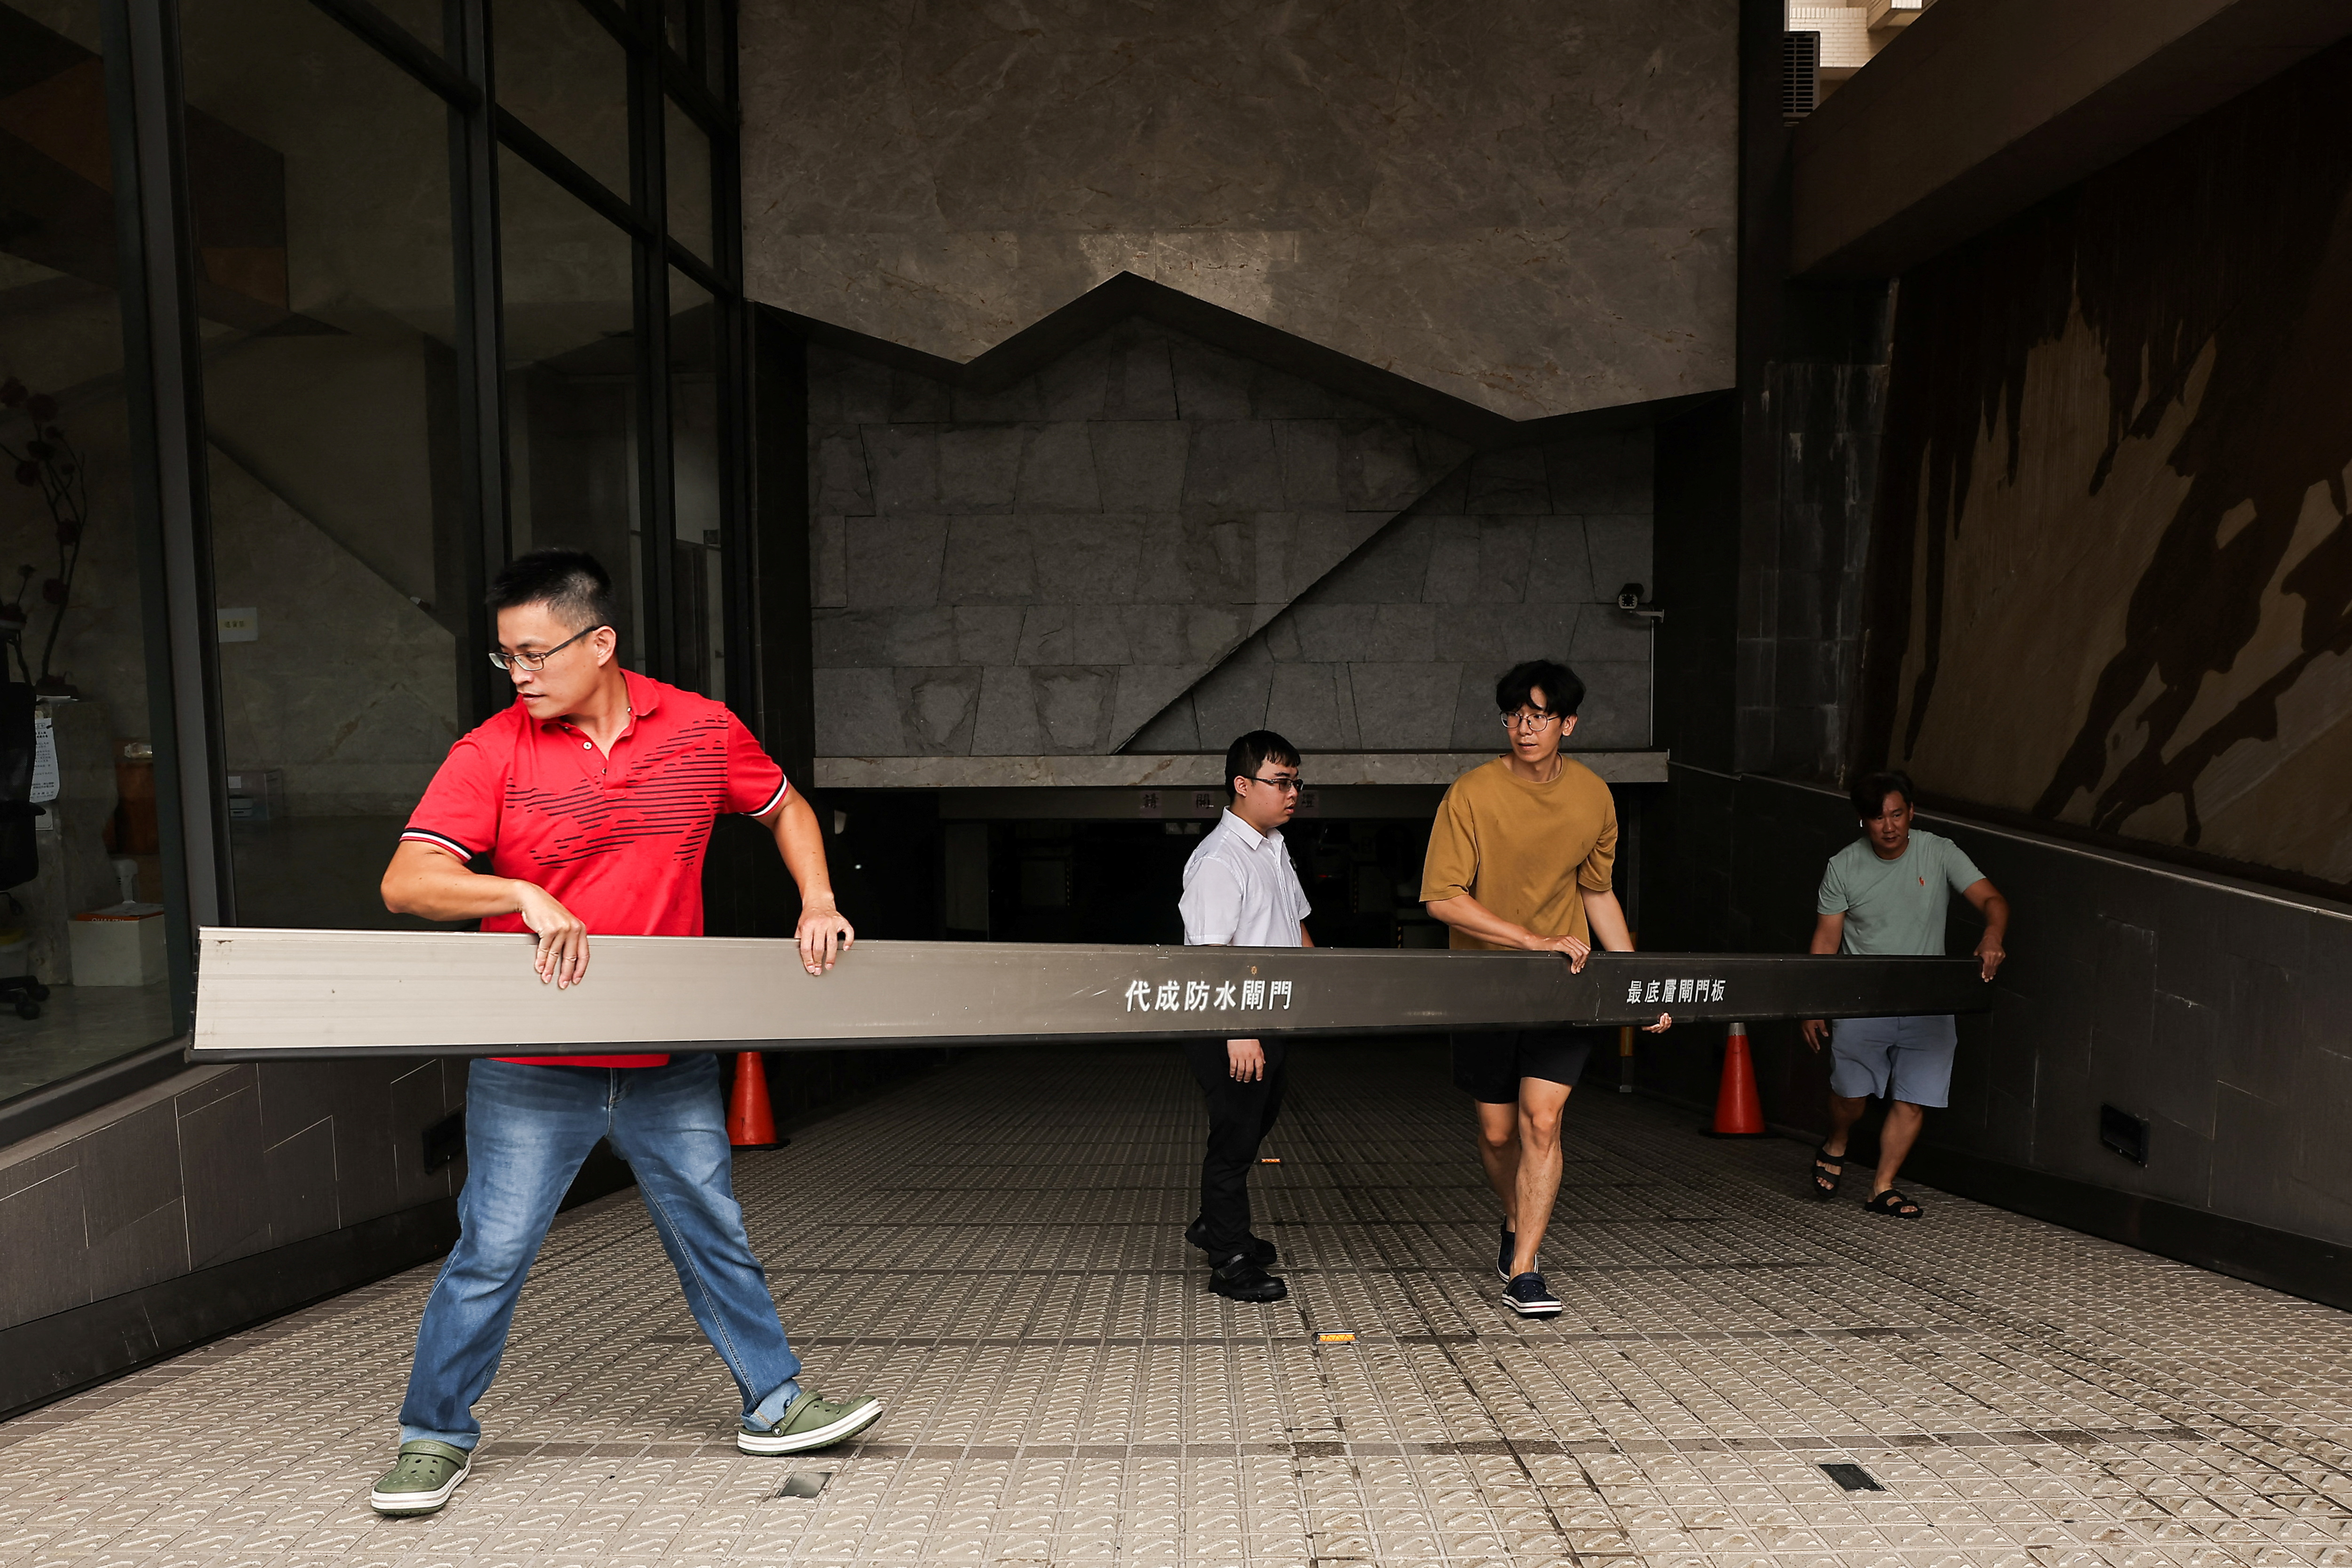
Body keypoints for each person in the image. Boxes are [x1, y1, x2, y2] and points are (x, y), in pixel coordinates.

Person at [365, 549, 882, 1518]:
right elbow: (407, 879)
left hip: (667, 1053)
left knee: (712, 1229)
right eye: (505, 657)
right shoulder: (493, 752)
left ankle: (773, 1402)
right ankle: (434, 1434)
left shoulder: (698, 728)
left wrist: (817, 898)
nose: (518, 675)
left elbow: (784, 807)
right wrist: (518, 889)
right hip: (532, 1060)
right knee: (494, 1250)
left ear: (598, 643)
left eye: (533, 653)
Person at [1421, 660, 1669, 1320]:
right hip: (1485, 989)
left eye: (1538, 716)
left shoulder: (1593, 796)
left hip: (1565, 986)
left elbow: (1596, 891)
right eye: (1513, 716)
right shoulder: (1471, 794)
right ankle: (1513, 1221)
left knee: (1543, 1119)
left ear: (1568, 723)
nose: (1524, 728)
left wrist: (1638, 982)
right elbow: (1443, 898)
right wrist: (1528, 939)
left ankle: (1525, 1267)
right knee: (1499, 1134)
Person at [1803, 769, 2008, 1219]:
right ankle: (1837, 1141)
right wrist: (1814, 1003)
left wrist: (1992, 935)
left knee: (1914, 1097)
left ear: (1912, 812)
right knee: (1850, 1097)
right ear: (1863, 821)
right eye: (1878, 817)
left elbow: (1994, 900)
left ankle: (1882, 1186)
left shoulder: (1939, 852)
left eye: (1898, 814)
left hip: (1928, 1002)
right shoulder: (1843, 866)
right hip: (1862, 999)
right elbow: (1826, 941)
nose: (1890, 826)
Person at [1176, 730, 1315, 1304]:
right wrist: (1239, 1031)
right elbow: (1212, 959)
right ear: (1242, 785)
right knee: (1234, 1140)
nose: (1292, 793)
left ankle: (1216, 1223)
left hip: (1271, 1018)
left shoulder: (1274, 846)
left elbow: (1297, 926)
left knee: (1255, 1124)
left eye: (1296, 782)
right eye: (1279, 782)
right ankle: (1228, 1259)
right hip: (1231, 1024)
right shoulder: (1218, 859)